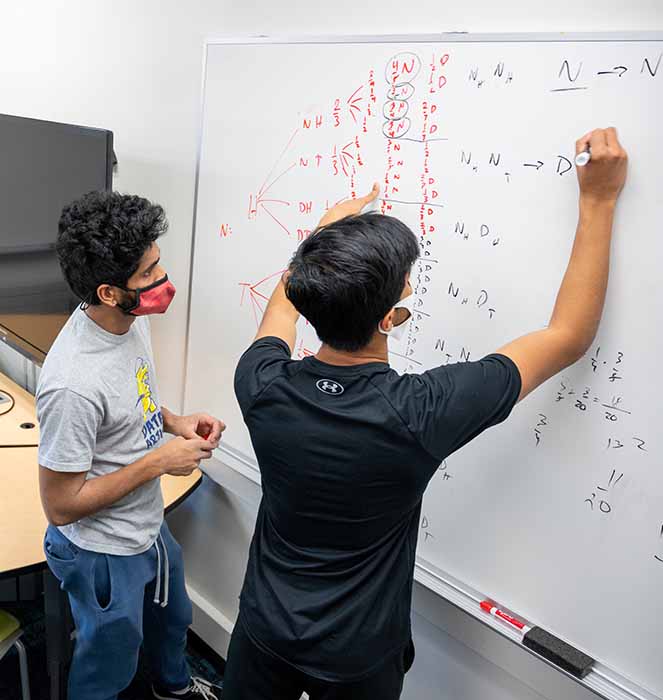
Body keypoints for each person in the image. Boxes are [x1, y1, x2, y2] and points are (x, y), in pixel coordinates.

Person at [223, 127, 627, 699]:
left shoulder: (261, 383)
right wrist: (599, 200)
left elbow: (283, 304)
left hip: (264, 628)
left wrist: (323, 240)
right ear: (390, 317)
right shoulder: (420, 412)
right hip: (357, 653)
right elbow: (566, 336)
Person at [37, 191, 226, 700]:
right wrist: (158, 463)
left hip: (146, 526)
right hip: (101, 550)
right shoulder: (72, 383)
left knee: (173, 623)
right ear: (108, 291)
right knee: (109, 665)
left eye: (157, 263)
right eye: (148, 274)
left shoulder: (125, 324)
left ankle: (174, 688)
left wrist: (174, 422)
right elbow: (60, 506)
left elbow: (129, 406)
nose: (162, 281)